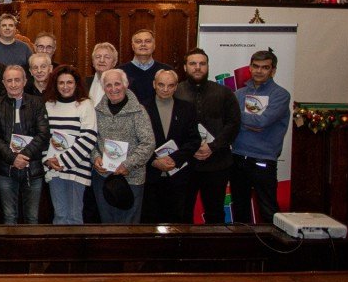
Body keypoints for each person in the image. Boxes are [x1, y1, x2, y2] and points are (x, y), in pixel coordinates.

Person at [175, 48, 241, 224]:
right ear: (185, 67)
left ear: (208, 66)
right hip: (185, 164)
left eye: (202, 64)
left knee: (215, 214)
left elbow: (233, 124)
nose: (198, 67)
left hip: (217, 164)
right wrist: (190, 149)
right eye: (193, 64)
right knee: (182, 213)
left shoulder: (224, 93)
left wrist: (213, 146)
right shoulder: (176, 92)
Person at [230, 50, 291, 224]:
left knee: (268, 210)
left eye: (265, 67)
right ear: (250, 68)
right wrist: (250, 122)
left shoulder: (280, 95)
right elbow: (231, 122)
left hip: (263, 160)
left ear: (273, 70)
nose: (259, 71)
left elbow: (261, 122)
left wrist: (241, 119)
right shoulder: (239, 94)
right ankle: (243, 241)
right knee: (240, 210)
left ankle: (274, 242)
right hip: (237, 157)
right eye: (255, 66)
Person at [0, 65, 50, 225]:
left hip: (32, 167)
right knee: (9, 216)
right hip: (6, 168)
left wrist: (24, 156)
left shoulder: (37, 103)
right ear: (3, 83)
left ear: (25, 81)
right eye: (9, 80)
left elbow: (43, 133)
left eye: (17, 80)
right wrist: (13, 158)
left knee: (32, 217)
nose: (13, 84)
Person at [91, 69, 155, 224]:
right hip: (103, 176)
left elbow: (148, 143)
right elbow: (91, 139)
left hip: (131, 177)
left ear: (125, 85)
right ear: (103, 88)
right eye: (108, 85)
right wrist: (95, 157)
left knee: (128, 226)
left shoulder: (138, 111)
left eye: (117, 84)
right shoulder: (96, 111)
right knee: (106, 223)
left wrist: (128, 164)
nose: (113, 89)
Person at [143, 69, 201, 223]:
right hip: (150, 178)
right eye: (161, 84)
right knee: (149, 222)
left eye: (170, 85)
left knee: (178, 222)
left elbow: (194, 140)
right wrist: (154, 161)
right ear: (154, 84)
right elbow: (136, 142)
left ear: (176, 87)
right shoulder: (142, 108)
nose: (165, 89)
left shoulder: (187, 108)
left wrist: (175, 159)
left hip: (179, 177)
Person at [42, 66, 98, 225]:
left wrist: (63, 161)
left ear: (76, 84)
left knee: (74, 217)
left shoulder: (85, 104)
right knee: (59, 216)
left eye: (69, 82)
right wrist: (47, 160)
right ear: (55, 84)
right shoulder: (48, 105)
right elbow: (43, 136)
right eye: (61, 83)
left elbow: (88, 137)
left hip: (77, 168)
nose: (65, 86)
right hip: (53, 168)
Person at [119, 29, 172, 108]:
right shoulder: (120, 72)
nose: (143, 44)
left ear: (154, 46)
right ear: (132, 46)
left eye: (148, 41)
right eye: (138, 41)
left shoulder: (167, 71)